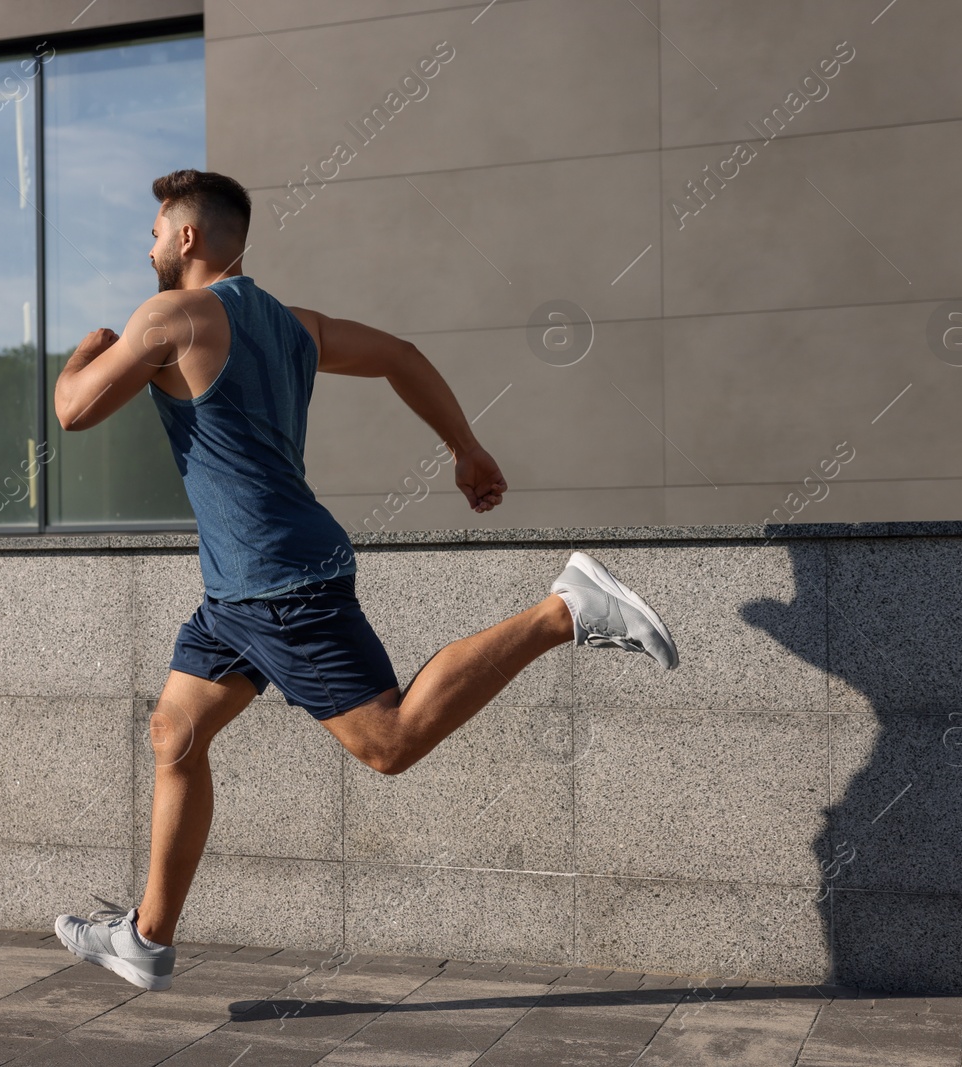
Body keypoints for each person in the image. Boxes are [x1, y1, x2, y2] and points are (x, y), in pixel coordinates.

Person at [50, 169, 679, 991]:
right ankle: (146, 937)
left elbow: (74, 410)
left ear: (190, 239)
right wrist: (466, 446)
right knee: (177, 731)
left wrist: (83, 354)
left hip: (278, 583)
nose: (150, 246)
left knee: (389, 741)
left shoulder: (168, 316)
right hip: (237, 595)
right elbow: (399, 356)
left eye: (158, 232)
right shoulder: (290, 323)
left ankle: (566, 610)